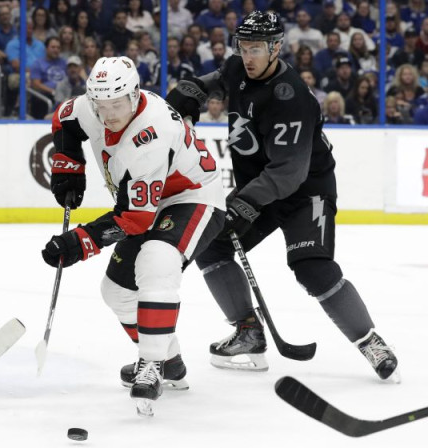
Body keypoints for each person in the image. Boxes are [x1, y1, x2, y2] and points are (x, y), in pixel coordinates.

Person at [165, 11, 400, 381]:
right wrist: (192, 89)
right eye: (242, 46)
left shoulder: (291, 97)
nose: (247, 55)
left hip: (307, 191)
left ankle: (369, 340)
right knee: (212, 244)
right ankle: (248, 332)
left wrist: (243, 202)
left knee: (311, 267)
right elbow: (218, 80)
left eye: (256, 47)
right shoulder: (239, 67)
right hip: (262, 187)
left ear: (275, 48)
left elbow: (289, 172)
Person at [43, 56, 225, 416]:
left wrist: (79, 242)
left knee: (157, 260)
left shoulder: (150, 135)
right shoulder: (91, 106)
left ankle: (152, 364)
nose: (108, 114)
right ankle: (170, 361)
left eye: (117, 104)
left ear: (134, 94)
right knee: (117, 292)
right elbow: (63, 119)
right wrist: (68, 163)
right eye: (101, 105)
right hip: (149, 202)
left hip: (192, 197)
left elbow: (135, 219)